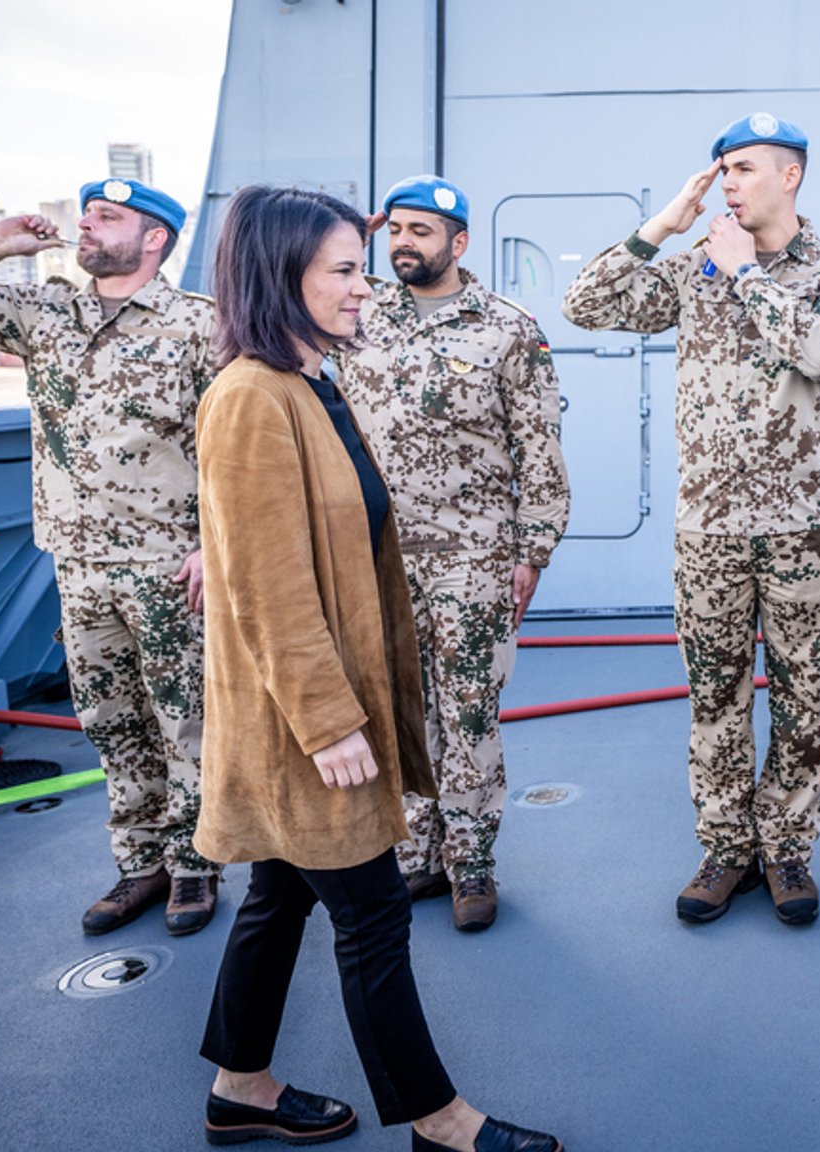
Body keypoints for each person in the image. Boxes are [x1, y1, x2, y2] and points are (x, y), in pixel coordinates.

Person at [193, 184, 561, 1152]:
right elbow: (267, 587)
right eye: (345, 270)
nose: (366, 286)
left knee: (277, 895)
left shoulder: (312, 380)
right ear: (284, 276)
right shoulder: (248, 399)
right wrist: (329, 721)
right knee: (372, 915)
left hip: (321, 704)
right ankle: (439, 1123)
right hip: (304, 721)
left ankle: (240, 1084)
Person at [0, 179, 222, 936]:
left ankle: (196, 867)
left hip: (168, 563)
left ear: (156, 239)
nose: (88, 225)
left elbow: (228, 449)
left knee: (188, 724)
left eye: (109, 217)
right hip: (78, 563)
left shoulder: (199, 326)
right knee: (110, 722)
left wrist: (212, 543)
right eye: (88, 214)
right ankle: (140, 864)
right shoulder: (48, 313)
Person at [563, 113, 820, 926]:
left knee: (806, 697)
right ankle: (727, 850)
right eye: (720, 172)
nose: (726, 184)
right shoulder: (696, 260)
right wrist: (663, 224)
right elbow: (585, 304)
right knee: (716, 697)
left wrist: (746, 276)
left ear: (789, 175)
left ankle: (789, 852)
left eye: (740, 169)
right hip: (711, 527)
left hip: (803, 525)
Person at [336, 175, 571, 932]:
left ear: (458, 243)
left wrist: (531, 550)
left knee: (467, 714)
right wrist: (345, 226)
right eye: (394, 231)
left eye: (421, 232)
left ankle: (472, 865)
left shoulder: (508, 328)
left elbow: (540, 450)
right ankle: (416, 857)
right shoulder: (355, 313)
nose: (404, 243)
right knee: (393, 707)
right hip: (377, 554)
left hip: (474, 554)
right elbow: (268, 286)